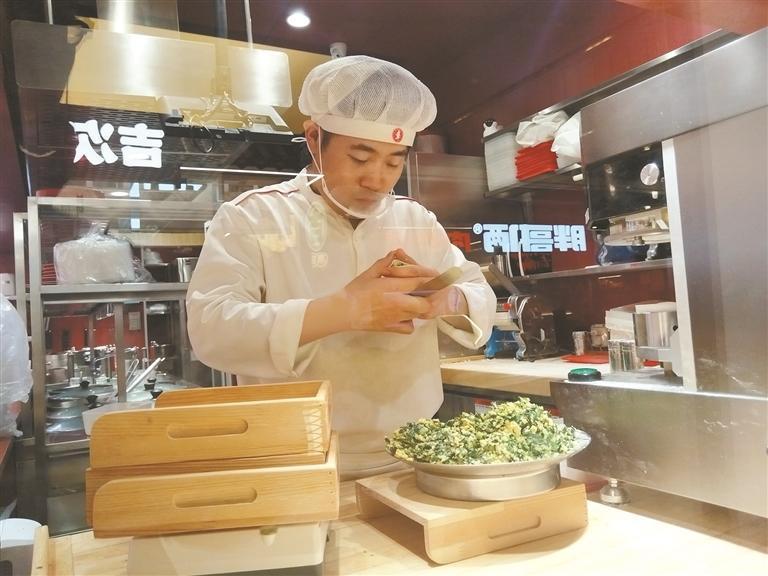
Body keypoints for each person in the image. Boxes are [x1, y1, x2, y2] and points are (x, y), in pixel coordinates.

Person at [186, 55, 496, 479]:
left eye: (394, 161)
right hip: (296, 459)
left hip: (412, 455)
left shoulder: (414, 220)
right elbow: (212, 328)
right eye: (360, 157)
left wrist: (448, 299)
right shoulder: (254, 217)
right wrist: (342, 310)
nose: (378, 179)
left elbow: (477, 291)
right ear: (314, 138)